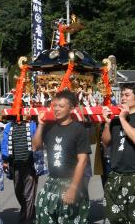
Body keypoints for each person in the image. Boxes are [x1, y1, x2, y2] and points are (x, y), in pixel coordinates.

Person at [32, 90, 91, 224]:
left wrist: (73, 188)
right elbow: (35, 146)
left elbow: (83, 161)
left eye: (61, 106)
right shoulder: (49, 127)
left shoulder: (78, 129)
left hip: (71, 182)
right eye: (55, 106)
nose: (57, 109)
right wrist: (40, 125)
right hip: (52, 182)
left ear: (71, 109)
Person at [101, 83, 135, 224]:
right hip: (115, 175)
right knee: (114, 218)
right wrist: (107, 123)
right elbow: (105, 142)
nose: (123, 98)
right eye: (122, 95)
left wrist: (123, 119)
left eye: (127, 95)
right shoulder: (116, 119)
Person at [1, 119, 46, 224]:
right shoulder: (9, 126)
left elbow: (39, 138)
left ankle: (25, 219)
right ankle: (31, 211)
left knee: (28, 194)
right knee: (18, 191)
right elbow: (5, 142)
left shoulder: (32, 124)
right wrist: (5, 159)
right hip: (15, 165)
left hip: (30, 164)